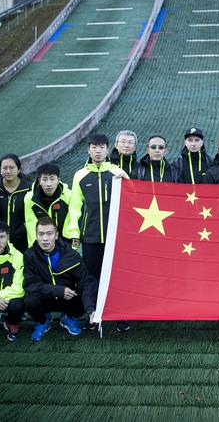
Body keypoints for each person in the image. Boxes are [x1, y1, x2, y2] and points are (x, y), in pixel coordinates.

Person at [64, 133, 129, 330]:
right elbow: (75, 207)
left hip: (115, 236)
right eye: (94, 147)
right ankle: (94, 315)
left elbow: (129, 201)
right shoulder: (80, 175)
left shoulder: (117, 172)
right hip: (91, 237)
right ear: (88, 149)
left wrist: (126, 178)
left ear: (108, 149)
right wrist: (74, 233)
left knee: (116, 276)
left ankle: (120, 316)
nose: (98, 150)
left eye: (101, 147)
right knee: (92, 277)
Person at [23, 217, 99, 341]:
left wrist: (90, 309)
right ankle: (43, 321)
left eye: (49, 234)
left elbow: (87, 281)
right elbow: (30, 284)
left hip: (68, 299)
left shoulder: (71, 254)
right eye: (41, 234)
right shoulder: (29, 255)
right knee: (30, 300)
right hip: (45, 299)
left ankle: (69, 318)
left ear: (56, 235)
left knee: (83, 289)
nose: (45, 239)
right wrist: (58, 290)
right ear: (36, 235)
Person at [24, 163, 71, 247]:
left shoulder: (69, 196)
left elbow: (71, 223)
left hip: (65, 245)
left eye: (52, 179)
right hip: (41, 245)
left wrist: (67, 247)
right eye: (45, 179)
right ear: (39, 181)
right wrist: (36, 249)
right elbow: (31, 226)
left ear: (58, 179)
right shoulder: (29, 198)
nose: (48, 184)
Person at [0, 154, 32, 252]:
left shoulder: (30, 188)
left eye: (12, 168)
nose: (8, 171)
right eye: (4, 168)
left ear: (19, 169)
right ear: (0, 170)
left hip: (24, 240)